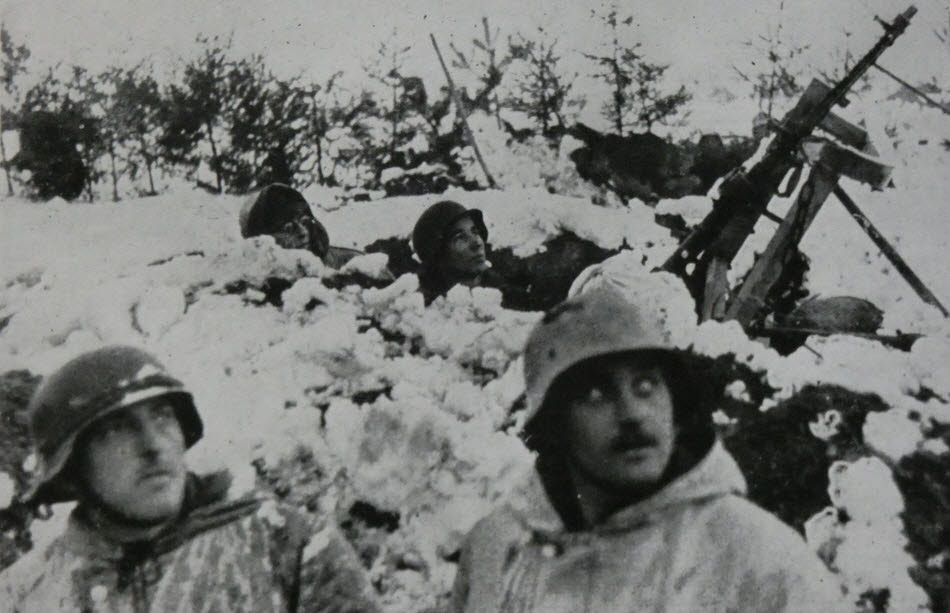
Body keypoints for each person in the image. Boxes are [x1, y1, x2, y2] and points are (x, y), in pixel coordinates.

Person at [449, 286, 848, 613]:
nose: (631, 414)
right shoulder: (499, 549)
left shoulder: (758, 559)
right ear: (554, 427)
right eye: (595, 393)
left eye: (646, 386)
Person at [1, 345, 381, 612]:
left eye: (163, 417)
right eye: (116, 429)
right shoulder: (23, 598)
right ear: (72, 469)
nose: (153, 445)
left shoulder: (288, 547)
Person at [411, 200, 529, 308]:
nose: (477, 243)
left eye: (475, 231)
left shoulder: (510, 299)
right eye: (460, 237)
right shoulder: (423, 315)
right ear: (439, 255)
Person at [240, 183, 362, 269]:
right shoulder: (250, 278)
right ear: (263, 238)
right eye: (289, 228)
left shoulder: (350, 263)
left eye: (304, 222)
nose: (303, 232)